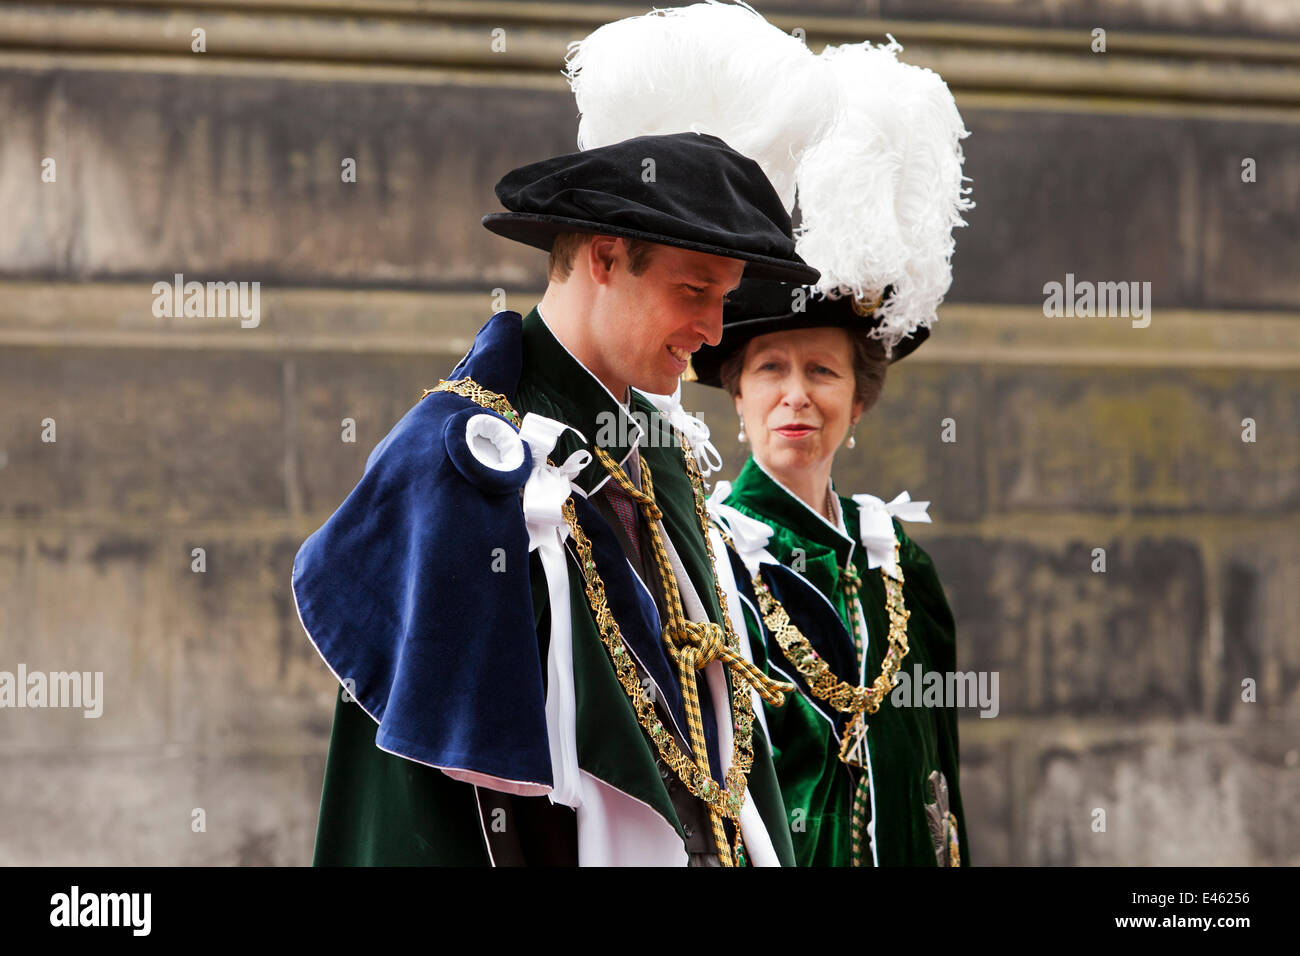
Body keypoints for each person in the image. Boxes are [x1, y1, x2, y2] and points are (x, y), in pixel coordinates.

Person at [291, 130, 822, 865]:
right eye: (695, 292)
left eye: (725, 299)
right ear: (604, 257)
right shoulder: (452, 465)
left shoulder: (662, 459)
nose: (713, 332)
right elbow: (420, 813)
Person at [683, 36, 977, 867]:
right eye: (770, 369)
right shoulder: (701, 562)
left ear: (857, 399)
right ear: (737, 395)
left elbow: (940, 778)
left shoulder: (901, 566)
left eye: (822, 371)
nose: (796, 395)